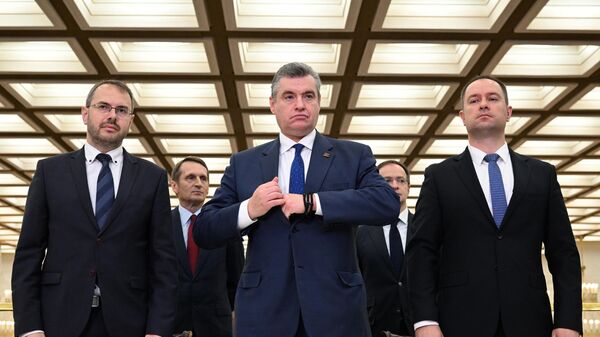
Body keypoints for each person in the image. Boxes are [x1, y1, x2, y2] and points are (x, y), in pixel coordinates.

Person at [194, 62, 399, 337]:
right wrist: (249, 209)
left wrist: (313, 202)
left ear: (319, 102)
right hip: (264, 314)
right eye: (289, 96)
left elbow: (386, 203)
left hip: (336, 313)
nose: (300, 104)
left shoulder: (354, 155)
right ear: (272, 104)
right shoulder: (244, 163)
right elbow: (206, 230)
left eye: (308, 96)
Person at [406, 75, 582, 337]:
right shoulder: (439, 176)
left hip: (530, 320)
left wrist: (568, 321)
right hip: (458, 321)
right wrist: (424, 321)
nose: (483, 105)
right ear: (462, 116)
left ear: (508, 112)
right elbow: (421, 253)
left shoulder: (542, 174)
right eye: (474, 100)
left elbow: (563, 253)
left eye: (493, 98)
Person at [11, 80, 177, 337]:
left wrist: (157, 330)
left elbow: (163, 262)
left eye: (122, 110)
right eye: (104, 106)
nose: (112, 115)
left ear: (130, 120)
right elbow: (28, 255)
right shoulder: (50, 172)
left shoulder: (151, 177)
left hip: (130, 322)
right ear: (85, 113)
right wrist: (30, 328)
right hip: (58, 319)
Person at [170, 157, 244, 337]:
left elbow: (237, 277)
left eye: (203, 179)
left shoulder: (225, 225)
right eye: (191, 178)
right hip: (171, 324)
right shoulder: (159, 225)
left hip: (216, 325)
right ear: (174, 186)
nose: (198, 183)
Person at [357, 160, 414, 336]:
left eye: (400, 180)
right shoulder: (359, 231)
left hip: (420, 325)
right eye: (387, 181)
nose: (395, 186)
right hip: (373, 326)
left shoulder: (426, 227)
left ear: (409, 187)